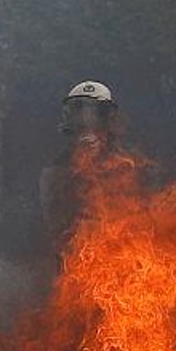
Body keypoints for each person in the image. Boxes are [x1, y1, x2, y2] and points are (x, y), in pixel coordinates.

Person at [39, 80, 121, 242]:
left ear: (108, 122)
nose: (88, 129)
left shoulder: (130, 166)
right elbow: (53, 225)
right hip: (77, 256)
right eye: (81, 122)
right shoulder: (55, 171)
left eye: (96, 117)